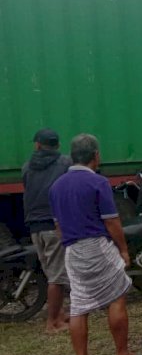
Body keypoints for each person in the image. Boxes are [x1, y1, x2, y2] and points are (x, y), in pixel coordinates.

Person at [49, 134, 137, 355]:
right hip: (98, 247)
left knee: (78, 305)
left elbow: (58, 227)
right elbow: (112, 223)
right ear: (96, 156)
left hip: (72, 251)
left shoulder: (56, 186)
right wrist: (123, 250)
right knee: (117, 296)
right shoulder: (98, 183)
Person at [21, 128, 72, 333]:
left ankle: (59, 314)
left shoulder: (26, 168)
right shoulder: (66, 163)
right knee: (57, 277)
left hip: (35, 226)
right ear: (57, 145)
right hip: (54, 224)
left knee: (51, 272)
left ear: (37, 145)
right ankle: (52, 323)